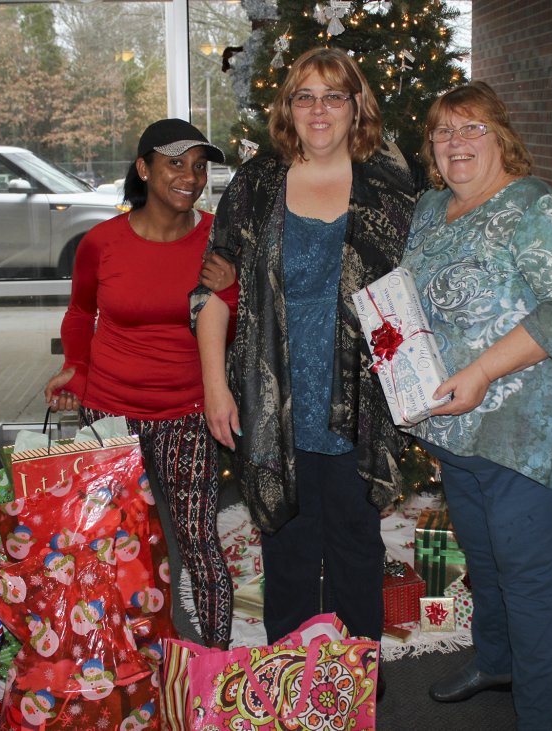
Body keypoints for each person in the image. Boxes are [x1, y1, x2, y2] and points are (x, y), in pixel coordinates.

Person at [191, 47, 420, 648]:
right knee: (286, 545)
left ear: (356, 106)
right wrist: (216, 387)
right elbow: (213, 290)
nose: (320, 110)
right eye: (305, 96)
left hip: (358, 398)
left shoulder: (387, 186)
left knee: (355, 544)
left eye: (334, 96)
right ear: (288, 108)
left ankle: (356, 680)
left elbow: (415, 291)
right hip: (274, 399)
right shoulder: (257, 183)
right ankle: (288, 682)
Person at [400, 81, 552, 730]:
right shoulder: (432, 207)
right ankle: (495, 661)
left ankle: (538, 716)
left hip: (530, 434)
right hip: (460, 431)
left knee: (530, 581)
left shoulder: (535, 207)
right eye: (443, 132)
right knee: (485, 565)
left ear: (501, 138)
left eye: (472, 129)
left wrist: (484, 368)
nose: (455, 142)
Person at [44, 118, 236, 649]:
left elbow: (232, 326)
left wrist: (233, 289)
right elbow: (81, 313)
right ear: (144, 168)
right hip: (111, 417)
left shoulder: (217, 239)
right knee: (111, 541)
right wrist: (77, 369)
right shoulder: (101, 242)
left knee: (198, 542)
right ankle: (117, 657)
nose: (190, 177)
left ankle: (212, 663)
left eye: (199, 166)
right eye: (175, 163)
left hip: (186, 412)